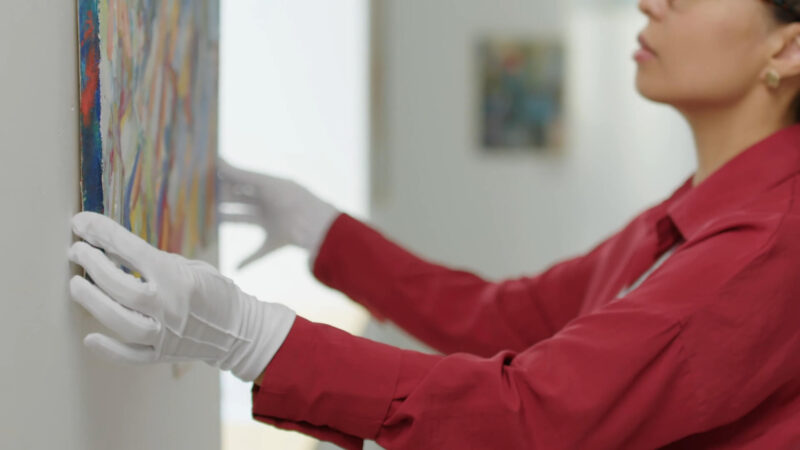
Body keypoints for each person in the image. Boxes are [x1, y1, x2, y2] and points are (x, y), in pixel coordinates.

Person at [67, 0, 800, 448]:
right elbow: (509, 318)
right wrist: (325, 232)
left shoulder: (769, 239)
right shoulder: (698, 208)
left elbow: (536, 417)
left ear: (789, 46)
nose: (650, 3)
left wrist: (255, 339)